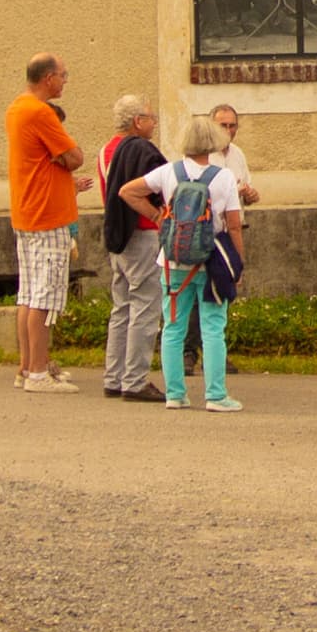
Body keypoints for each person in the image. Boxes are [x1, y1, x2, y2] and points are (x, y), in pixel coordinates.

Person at [124, 114, 245, 410]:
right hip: (212, 261)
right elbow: (233, 225)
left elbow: (127, 191)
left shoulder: (168, 172)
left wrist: (158, 217)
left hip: (173, 260)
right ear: (213, 142)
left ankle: (175, 394)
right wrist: (238, 263)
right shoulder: (223, 177)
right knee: (213, 327)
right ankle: (216, 395)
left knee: (173, 327)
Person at [3, 52, 87, 393]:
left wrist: (60, 159)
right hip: (48, 215)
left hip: (27, 212)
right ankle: (38, 373)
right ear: (48, 77)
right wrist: (64, 158)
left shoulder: (16, 107)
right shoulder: (40, 112)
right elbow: (75, 157)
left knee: (28, 295)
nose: (65, 81)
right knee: (45, 298)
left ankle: (27, 367)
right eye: (63, 75)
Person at [95, 96, 169, 401]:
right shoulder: (139, 151)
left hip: (118, 234)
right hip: (141, 230)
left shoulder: (105, 151)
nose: (154, 124)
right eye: (151, 118)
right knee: (145, 306)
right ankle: (135, 379)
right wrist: (157, 214)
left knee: (122, 306)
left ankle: (114, 376)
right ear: (137, 121)